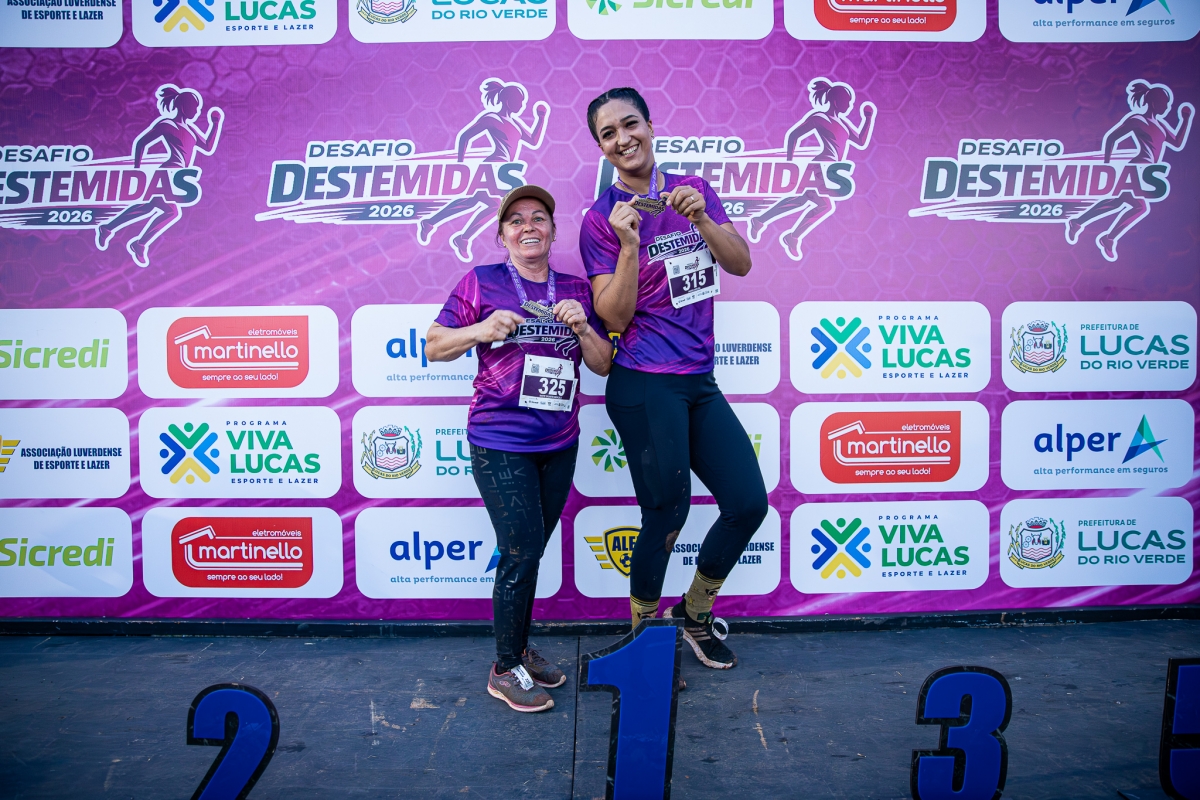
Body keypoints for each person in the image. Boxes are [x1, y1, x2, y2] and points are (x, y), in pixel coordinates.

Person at [579, 87, 768, 670]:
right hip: (643, 383)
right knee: (666, 515)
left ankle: (693, 613)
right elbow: (613, 318)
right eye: (608, 133)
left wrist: (702, 218)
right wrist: (629, 245)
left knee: (747, 503)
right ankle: (643, 643)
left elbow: (740, 263)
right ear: (601, 149)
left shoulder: (694, 191)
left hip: (698, 380)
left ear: (650, 126)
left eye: (629, 124)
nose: (622, 138)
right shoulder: (601, 220)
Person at [426, 185, 612, 712]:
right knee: (520, 551)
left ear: (552, 230)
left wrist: (583, 327)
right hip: (500, 440)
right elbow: (434, 345)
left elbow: (602, 364)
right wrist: (481, 329)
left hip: (560, 441)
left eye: (538, 218)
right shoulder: (481, 281)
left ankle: (520, 648)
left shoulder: (575, 288)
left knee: (531, 552)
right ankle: (504, 668)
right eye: (516, 220)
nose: (528, 226)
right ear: (502, 235)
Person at [418, 79, 550, 262]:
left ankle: (435, 224)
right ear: (508, 100)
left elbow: (533, 140)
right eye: (519, 101)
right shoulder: (492, 118)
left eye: (523, 102)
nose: (522, 105)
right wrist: (461, 164)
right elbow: (465, 136)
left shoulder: (516, 123)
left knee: (475, 202)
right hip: (491, 167)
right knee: (492, 205)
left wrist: (541, 117)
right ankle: (457, 236)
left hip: (504, 171)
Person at [95, 84, 224, 268]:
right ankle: (136, 242)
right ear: (183, 107)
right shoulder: (167, 125)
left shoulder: (191, 130)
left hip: (179, 175)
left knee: (151, 207)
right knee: (170, 212)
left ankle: (110, 229)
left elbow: (208, 147)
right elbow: (142, 142)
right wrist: (137, 169)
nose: (196, 111)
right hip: (168, 172)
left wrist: (215, 124)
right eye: (194, 107)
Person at [747, 78, 875, 261]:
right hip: (819, 167)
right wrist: (790, 162)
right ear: (836, 101)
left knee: (802, 200)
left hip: (831, 170)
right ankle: (790, 236)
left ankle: (761, 221)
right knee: (824, 205)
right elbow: (794, 135)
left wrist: (868, 118)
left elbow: (861, 141)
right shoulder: (820, 118)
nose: (850, 105)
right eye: (847, 101)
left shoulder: (844, 123)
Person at [1066, 80, 1193, 262]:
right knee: (1139, 207)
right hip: (1136, 168)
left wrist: (1185, 119)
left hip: (1148, 171)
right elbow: (1112, 137)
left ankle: (1079, 222)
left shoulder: (1161, 125)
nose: (1167, 107)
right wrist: (1108, 164)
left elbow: (1177, 143)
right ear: (1154, 102)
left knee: (1118, 202)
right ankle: (1107, 238)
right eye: (1165, 103)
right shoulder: (1138, 120)